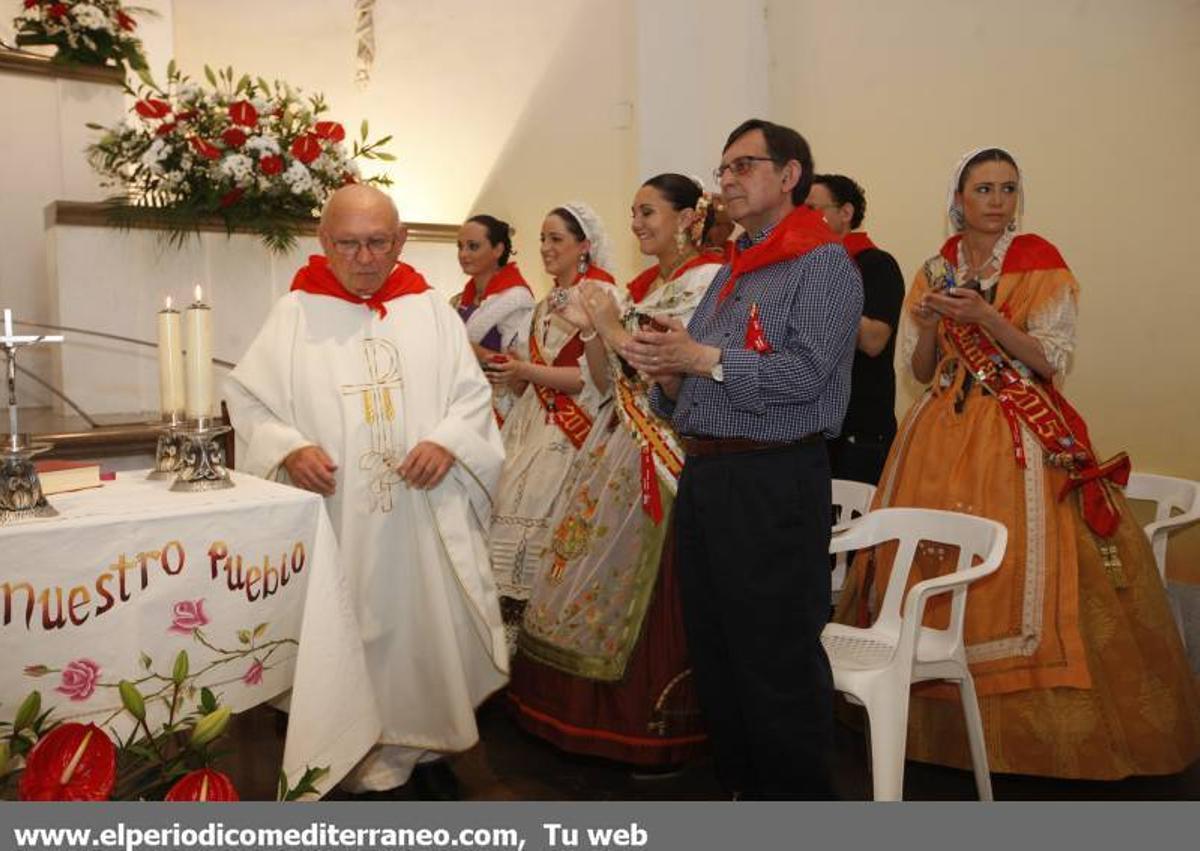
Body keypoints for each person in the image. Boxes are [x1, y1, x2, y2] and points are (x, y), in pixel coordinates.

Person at [836, 147, 1200, 779]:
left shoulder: (1041, 264)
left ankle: (1032, 737)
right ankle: (930, 726)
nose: (996, 200)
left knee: (1030, 568)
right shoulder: (933, 268)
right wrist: (926, 325)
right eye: (983, 189)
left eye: (1007, 188)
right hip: (936, 434)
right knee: (919, 565)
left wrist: (986, 317)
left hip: (1016, 432)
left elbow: (1049, 360)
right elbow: (920, 373)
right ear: (959, 200)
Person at [224, 184, 508, 797]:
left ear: (401, 241)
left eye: (378, 242)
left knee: (417, 630)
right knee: (346, 627)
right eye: (348, 243)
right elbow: (248, 401)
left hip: (418, 512)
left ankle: (418, 745)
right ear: (324, 243)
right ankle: (342, 752)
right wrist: (288, 448)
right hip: (336, 516)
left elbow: (472, 395)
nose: (364, 257)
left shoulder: (428, 308)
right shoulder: (295, 313)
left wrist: (448, 441)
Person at [625, 119, 863, 798]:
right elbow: (701, 387)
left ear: (789, 176)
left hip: (773, 476)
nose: (725, 179)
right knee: (718, 650)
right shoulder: (735, 267)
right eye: (723, 167)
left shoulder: (821, 263)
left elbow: (807, 377)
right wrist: (671, 373)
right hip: (712, 474)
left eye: (743, 166)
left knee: (775, 659)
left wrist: (700, 356)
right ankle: (741, 794)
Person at [507, 175, 723, 767]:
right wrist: (592, 331)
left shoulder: (709, 280)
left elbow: (662, 365)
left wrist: (603, 325)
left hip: (665, 451)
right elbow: (607, 381)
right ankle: (566, 715)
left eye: (648, 212)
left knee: (644, 587)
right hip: (617, 444)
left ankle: (644, 728)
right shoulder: (643, 286)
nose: (636, 223)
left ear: (687, 217)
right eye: (632, 213)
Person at [488, 203, 615, 653]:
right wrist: (517, 374)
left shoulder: (598, 296)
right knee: (503, 528)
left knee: (543, 540)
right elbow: (536, 370)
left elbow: (590, 381)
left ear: (584, 246)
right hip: (532, 426)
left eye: (556, 239)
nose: (545, 248)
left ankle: (537, 651)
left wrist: (527, 370)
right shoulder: (545, 303)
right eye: (542, 239)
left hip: (571, 435)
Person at [807, 174, 904, 485]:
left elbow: (874, 340)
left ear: (845, 213)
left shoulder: (877, 264)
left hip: (860, 431)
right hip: (813, 429)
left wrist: (825, 290)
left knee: (858, 531)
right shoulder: (801, 266)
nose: (802, 220)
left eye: (812, 210)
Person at [451, 215, 534, 427]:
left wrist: (466, 348)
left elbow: (518, 366)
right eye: (460, 246)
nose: (463, 254)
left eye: (473, 246)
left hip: (497, 408)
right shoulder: (459, 300)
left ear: (498, 250)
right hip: (462, 400)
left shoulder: (516, 299)